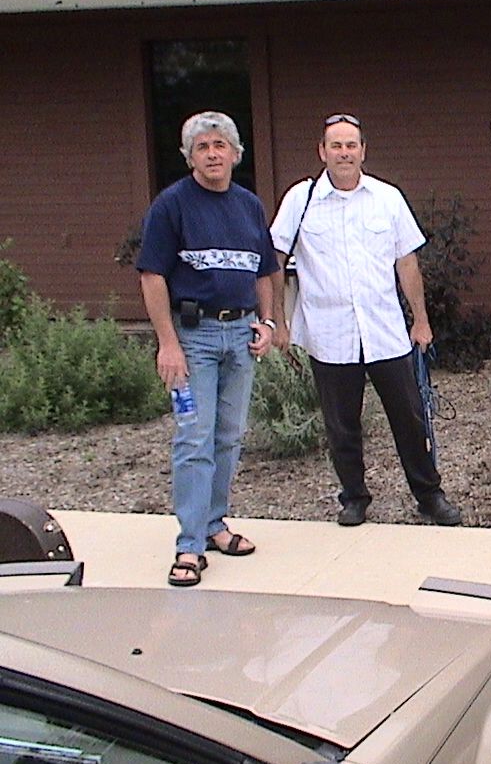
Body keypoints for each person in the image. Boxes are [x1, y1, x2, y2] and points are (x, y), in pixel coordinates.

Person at [269, 113, 461, 528]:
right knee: (342, 426)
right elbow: (275, 259)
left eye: (351, 145)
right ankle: (354, 498)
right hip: (329, 335)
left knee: (410, 419)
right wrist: (277, 321)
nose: (344, 153)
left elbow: (406, 263)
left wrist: (421, 320)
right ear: (322, 152)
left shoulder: (387, 198)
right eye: (336, 146)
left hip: (384, 332)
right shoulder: (301, 200)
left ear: (363, 151)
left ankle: (429, 496)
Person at [137, 111, 279, 587]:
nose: (213, 154)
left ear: (236, 154)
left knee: (229, 436)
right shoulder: (171, 206)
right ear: (189, 157)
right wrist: (168, 343)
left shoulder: (249, 206)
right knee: (194, 438)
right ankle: (190, 545)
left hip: (240, 336)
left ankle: (215, 525)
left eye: (220, 145)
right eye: (203, 147)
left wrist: (267, 323)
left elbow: (265, 271)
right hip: (192, 340)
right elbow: (152, 276)